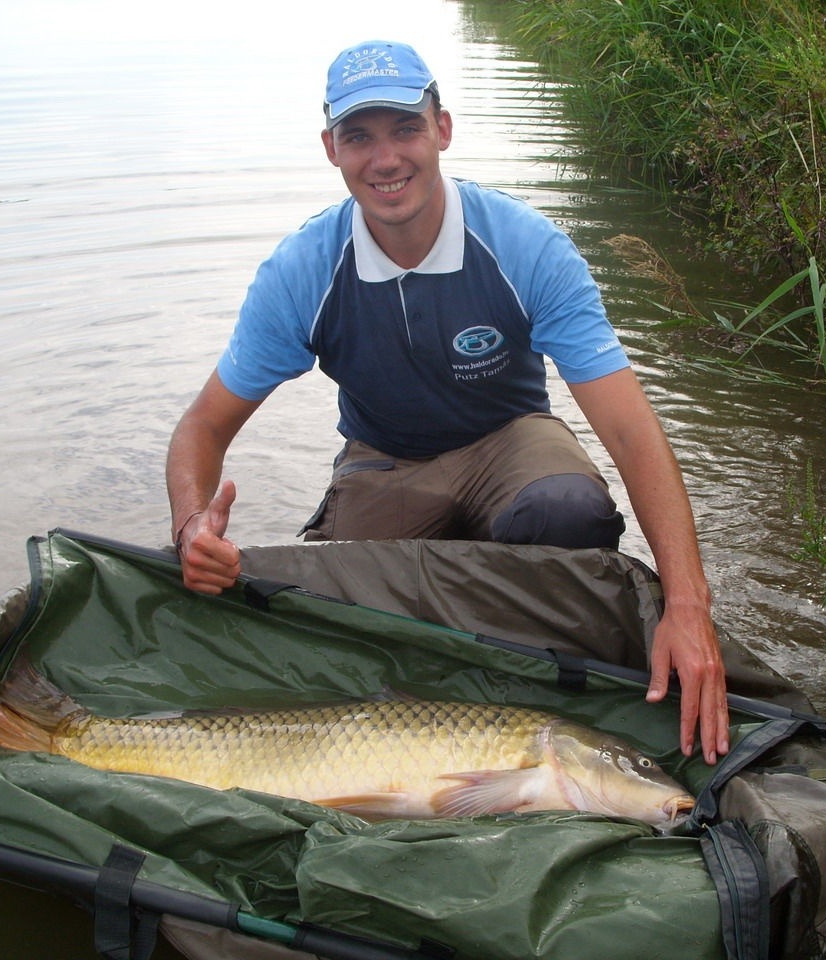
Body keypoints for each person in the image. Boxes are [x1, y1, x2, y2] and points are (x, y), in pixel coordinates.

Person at [166, 40, 729, 764]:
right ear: (330, 149)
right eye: (359, 137)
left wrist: (688, 605)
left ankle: (538, 671)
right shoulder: (301, 272)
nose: (386, 159)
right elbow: (201, 428)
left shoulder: (527, 248)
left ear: (443, 130)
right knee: (345, 609)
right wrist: (190, 531)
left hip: (510, 437)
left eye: (405, 129)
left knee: (567, 510)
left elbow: (629, 430)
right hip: (386, 458)